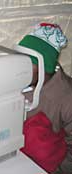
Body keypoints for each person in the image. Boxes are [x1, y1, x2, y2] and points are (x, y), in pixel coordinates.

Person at [17, 23, 72, 174]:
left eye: (28, 62)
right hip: (20, 157)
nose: (20, 68)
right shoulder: (24, 82)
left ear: (44, 66)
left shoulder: (66, 98)